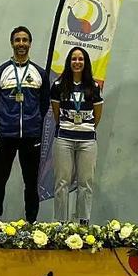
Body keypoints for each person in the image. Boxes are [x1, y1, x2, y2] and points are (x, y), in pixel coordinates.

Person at [0, 26, 50, 223]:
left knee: (31, 183)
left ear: (30, 43)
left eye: (25, 40)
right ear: (12, 43)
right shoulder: (0, 73)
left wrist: (33, 122)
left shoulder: (39, 73)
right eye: (17, 40)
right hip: (6, 135)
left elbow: (44, 103)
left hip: (31, 136)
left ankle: (31, 222)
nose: (21, 44)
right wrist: (5, 121)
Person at [50, 46, 103, 225]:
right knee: (62, 183)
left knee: (85, 183)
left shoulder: (94, 87)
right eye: (74, 59)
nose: (77, 62)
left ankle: (83, 223)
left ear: (85, 63)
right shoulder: (58, 85)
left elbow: (97, 115)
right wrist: (69, 126)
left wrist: (84, 128)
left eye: (81, 59)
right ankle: (61, 224)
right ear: (69, 62)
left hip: (87, 141)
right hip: (64, 139)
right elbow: (56, 114)